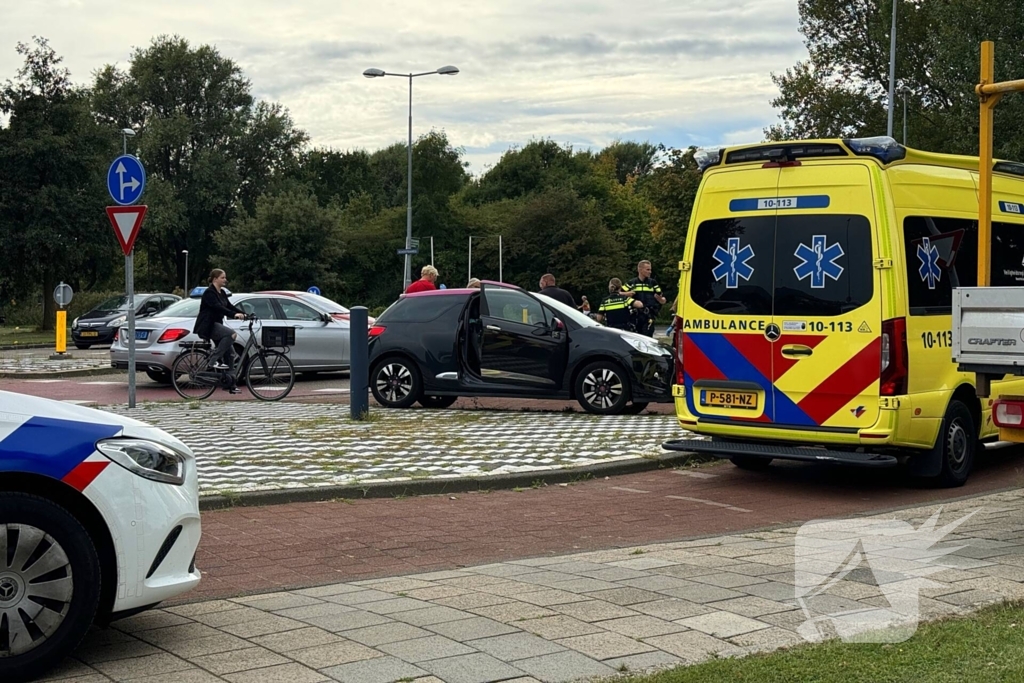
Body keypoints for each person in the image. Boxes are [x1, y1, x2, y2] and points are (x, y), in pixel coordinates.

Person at [194, 269, 245, 394]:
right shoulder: (209, 293)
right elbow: (219, 307)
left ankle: (230, 384)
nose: (225, 280)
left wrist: (244, 314)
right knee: (231, 334)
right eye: (222, 277)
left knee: (231, 354)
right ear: (215, 279)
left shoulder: (221, 292)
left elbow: (229, 306)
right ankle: (213, 360)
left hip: (217, 325)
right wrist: (234, 315)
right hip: (208, 325)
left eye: (225, 277)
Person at [624, 260, 667, 337]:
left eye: (650, 270)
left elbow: (662, 298)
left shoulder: (653, 283)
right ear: (640, 270)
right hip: (635, 315)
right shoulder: (632, 283)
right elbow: (619, 293)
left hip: (649, 315)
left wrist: (661, 299)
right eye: (648, 270)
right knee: (635, 337)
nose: (650, 272)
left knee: (648, 336)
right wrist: (626, 294)